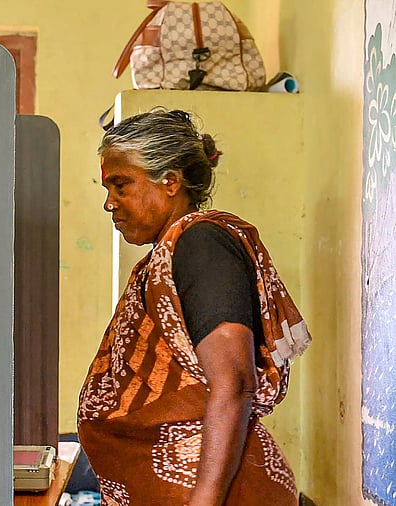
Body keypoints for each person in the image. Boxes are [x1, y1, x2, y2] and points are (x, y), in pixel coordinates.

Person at [77, 109, 311, 506]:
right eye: (107, 189)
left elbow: (235, 382)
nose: (109, 204)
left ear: (170, 182)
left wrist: (204, 502)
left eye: (121, 185)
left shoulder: (201, 244)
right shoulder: (166, 258)